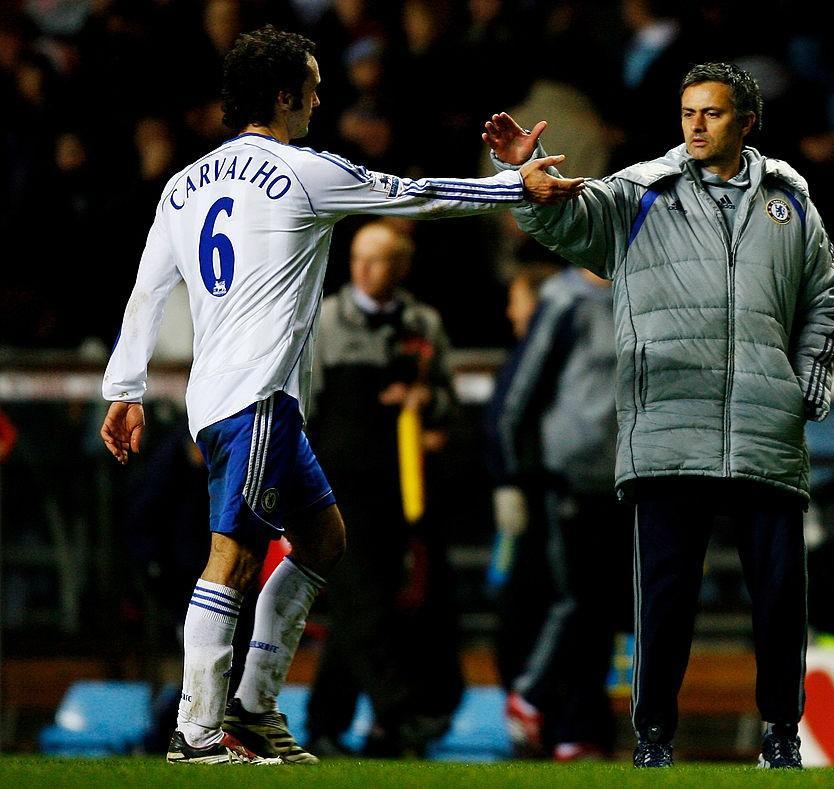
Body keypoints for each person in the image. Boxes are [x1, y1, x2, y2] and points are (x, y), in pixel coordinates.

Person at [99, 24, 582, 767]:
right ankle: (196, 733)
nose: (322, 98)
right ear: (286, 94)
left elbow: (146, 289)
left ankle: (254, 709)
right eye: (315, 86)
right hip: (255, 394)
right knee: (229, 557)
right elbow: (417, 195)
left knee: (324, 539)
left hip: (230, 399)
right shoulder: (300, 170)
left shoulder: (184, 183)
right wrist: (515, 184)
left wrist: (125, 388)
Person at [483, 61, 834, 769]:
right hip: (665, 430)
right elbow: (569, 222)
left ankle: (781, 736)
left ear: (746, 121)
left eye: (711, 113)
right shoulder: (639, 192)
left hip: (764, 429)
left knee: (779, 601)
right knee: (661, 604)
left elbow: (826, 297)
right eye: (687, 113)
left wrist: (802, 385)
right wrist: (526, 182)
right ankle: (652, 741)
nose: (696, 124)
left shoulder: (790, 199)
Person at [303, 220, 459, 756]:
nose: (365, 270)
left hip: (401, 488)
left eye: (379, 260)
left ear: (402, 267)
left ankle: (327, 725)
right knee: (363, 605)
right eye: (358, 259)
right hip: (338, 489)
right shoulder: (323, 323)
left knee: (365, 607)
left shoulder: (422, 323)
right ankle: (401, 713)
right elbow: (303, 407)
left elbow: (446, 401)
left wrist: (423, 402)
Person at [490, 264, 631, 760]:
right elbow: (516, 392)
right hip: (563, 477)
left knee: (601, 608)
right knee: (573, 599)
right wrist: (508, 477)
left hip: (621, 480)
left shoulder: (648, 296)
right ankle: (531, 695)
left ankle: (578, 730)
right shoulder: (566, 303)